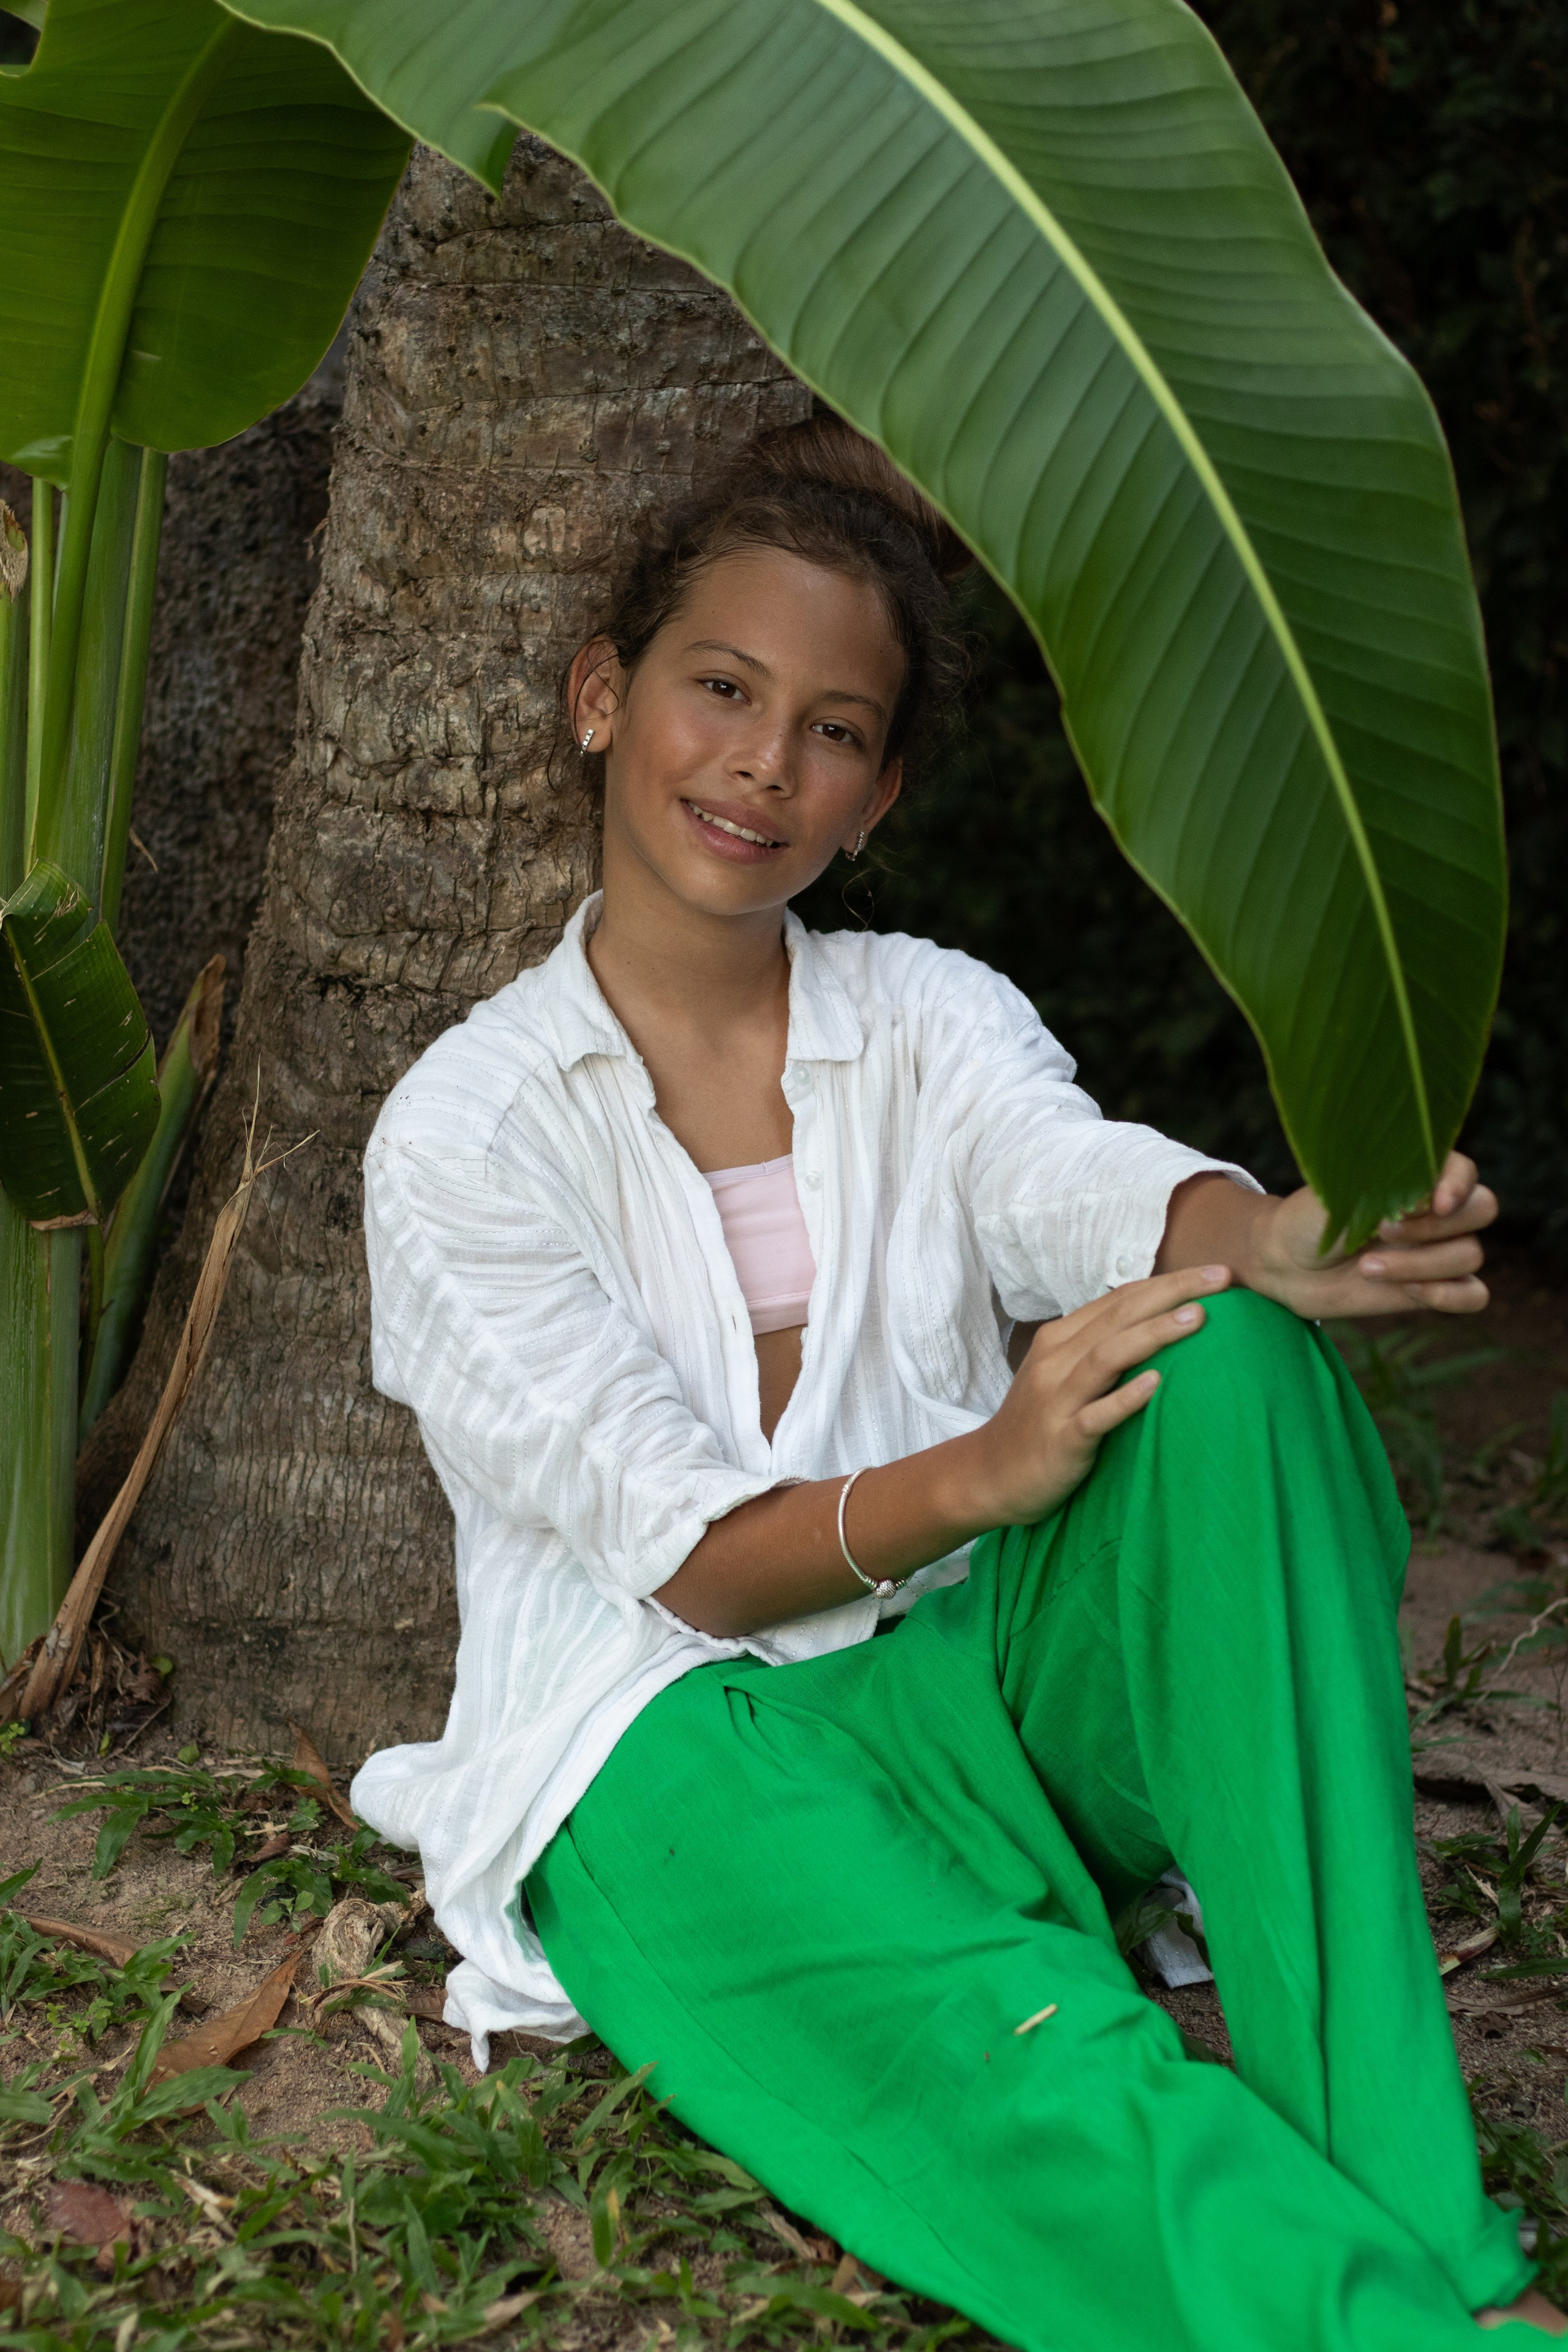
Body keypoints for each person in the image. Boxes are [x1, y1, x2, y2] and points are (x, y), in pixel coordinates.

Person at [353, 415, 1557, 2349]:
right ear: (605, 696)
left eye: (834, 728)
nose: (764, 759)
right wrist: (989, 1472)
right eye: (721, 689)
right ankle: (1400, 2333)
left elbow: (1069, 1179)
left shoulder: (925, 1013)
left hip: (968, 1691)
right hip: (662, 1757)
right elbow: (697, 1566)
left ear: (879, 793)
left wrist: (1269, 1238)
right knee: (1031, 2055)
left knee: (1227, 1355)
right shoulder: (464, 1131)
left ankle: (1423, 2203)